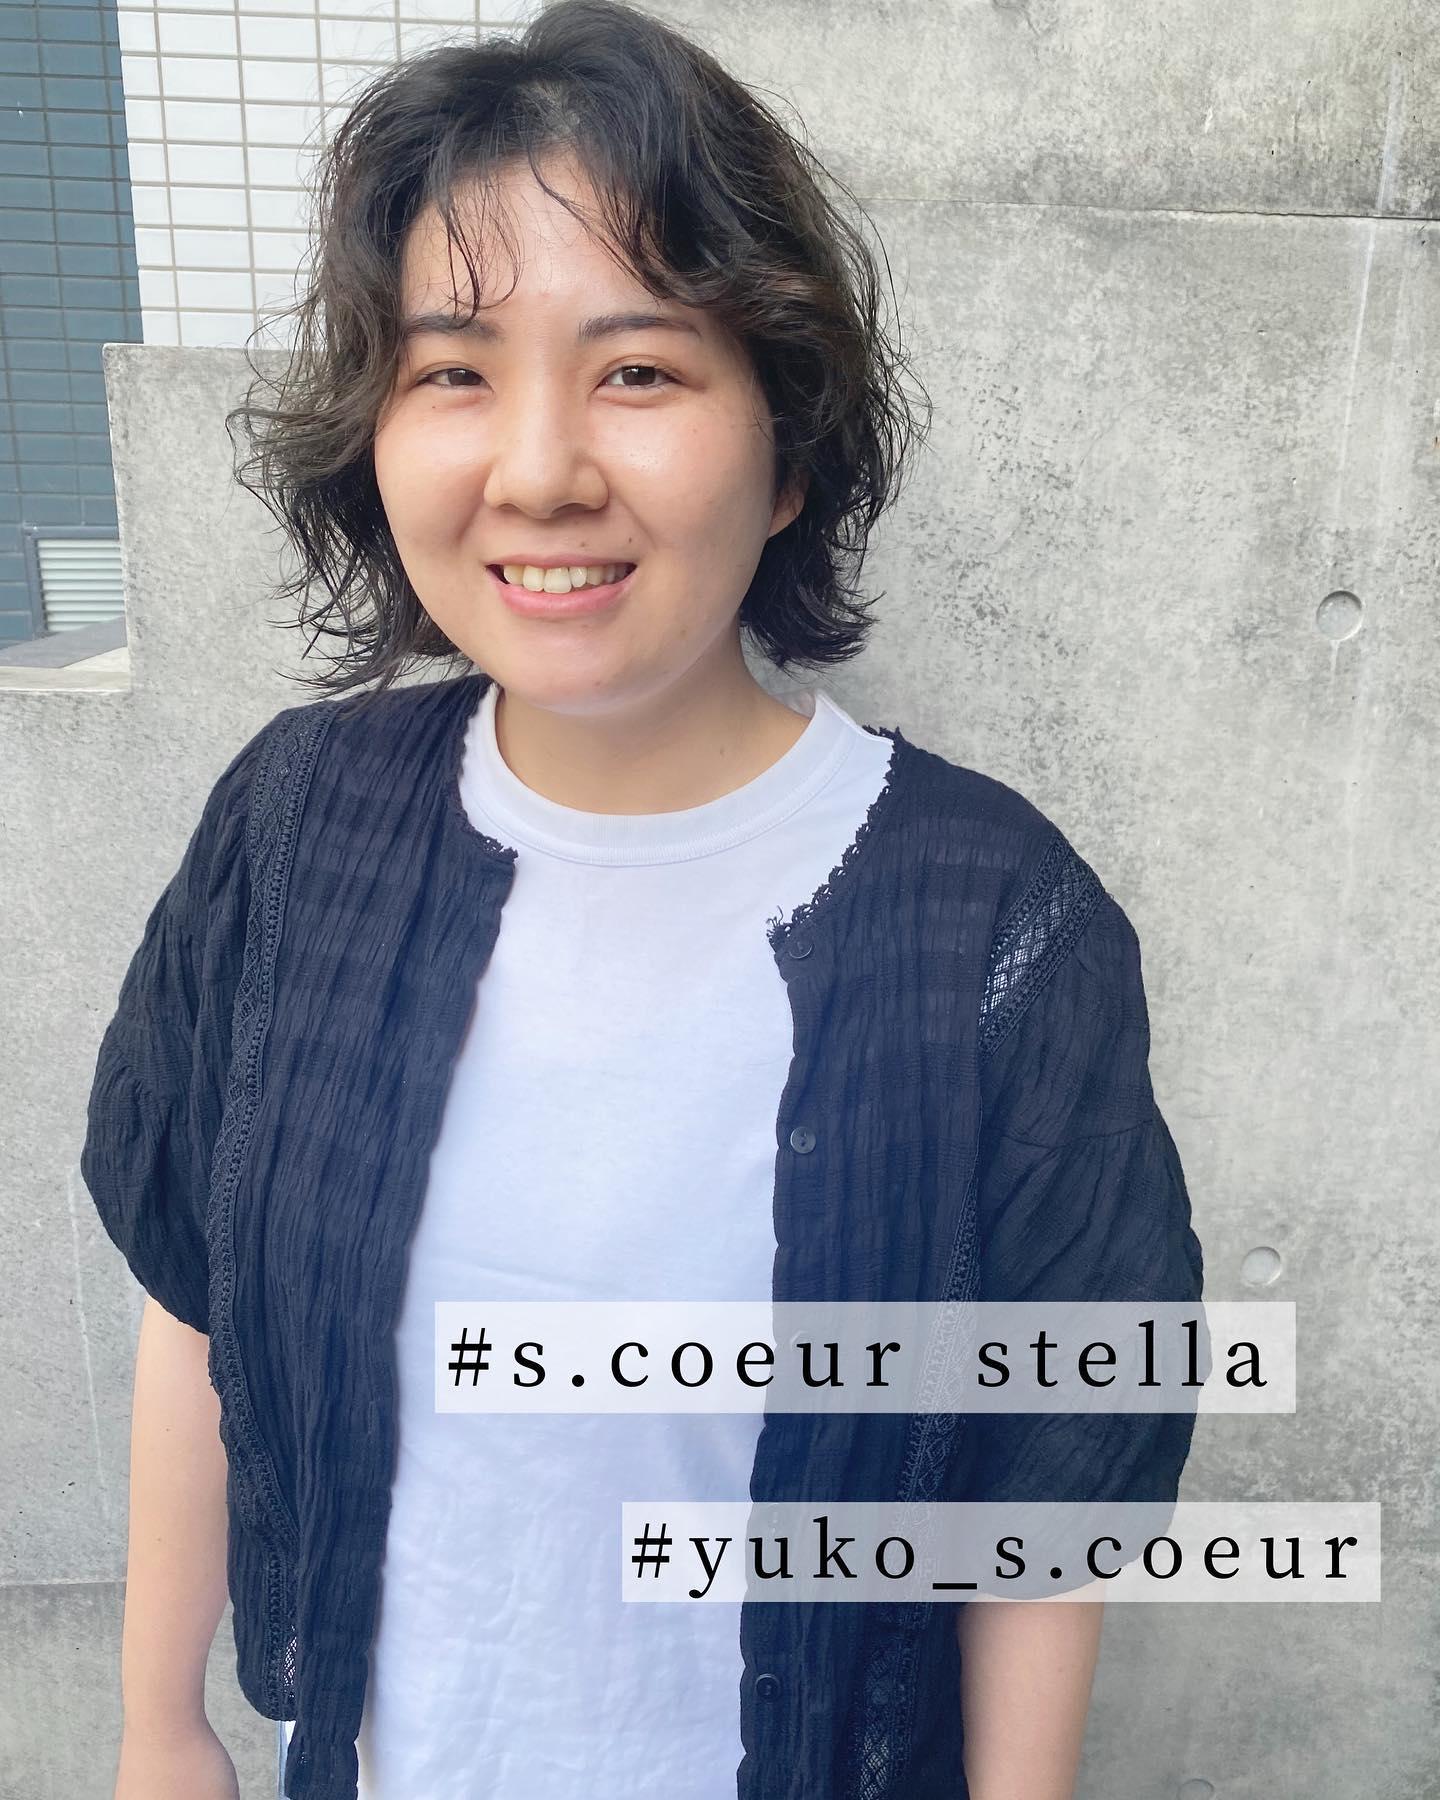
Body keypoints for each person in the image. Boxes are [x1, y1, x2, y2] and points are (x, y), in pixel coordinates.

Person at [81, 3, 1204, 1798]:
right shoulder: (293, 829)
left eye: (639, 372)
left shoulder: (996, 920)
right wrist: (159, 1732)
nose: (538, 470)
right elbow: (195, 1291)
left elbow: (1044, 1478)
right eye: (454, 372)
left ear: (789, 447)